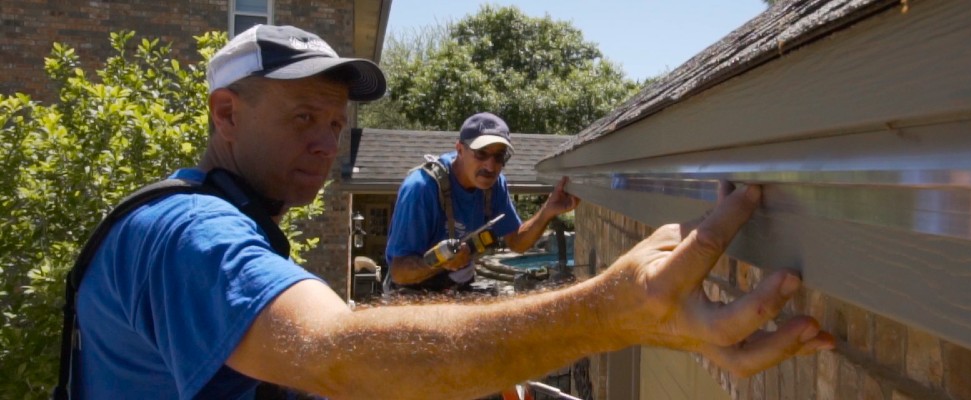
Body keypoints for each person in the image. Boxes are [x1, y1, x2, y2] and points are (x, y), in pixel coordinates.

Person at [67, 24, 835, 399]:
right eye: (304, 117)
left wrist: (487, 369)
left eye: (337, 124)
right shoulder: (187, 233)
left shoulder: (231, 217)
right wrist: (618, 312)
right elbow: (332, 350)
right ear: (226, 114)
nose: (328, 143)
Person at [384, 112, 579, 293]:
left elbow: (517, 242)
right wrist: (441, 262)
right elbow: (399, 272)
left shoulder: (494, 186)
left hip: (457, 289)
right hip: (411, 294)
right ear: (460, 149)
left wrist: (547, 212)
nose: (490, 165)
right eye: (481, 153)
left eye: (499, 156)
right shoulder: (421, 188)